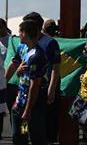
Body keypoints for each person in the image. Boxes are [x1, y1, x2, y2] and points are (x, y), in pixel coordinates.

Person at [18, 12, 62, 144]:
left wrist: (52, 88)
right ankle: (24, 139)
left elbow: (56, 66)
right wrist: (18, 71)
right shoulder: (23, 43)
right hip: (24, 91)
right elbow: (18, 62)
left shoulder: (49, 43)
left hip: (41, 89)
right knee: (23, 125)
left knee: (39, 128)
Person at [5, 19, 48, 145]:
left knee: (36, 135)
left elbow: (35, 85)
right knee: (20, 134)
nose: (18, 35)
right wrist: (5, 81)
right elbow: (15, 64)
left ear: (25, 34)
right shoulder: (22, 47)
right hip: (20, 100)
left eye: (20, 32)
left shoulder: (37, 55)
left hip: (33, 104)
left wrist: (28, 109)